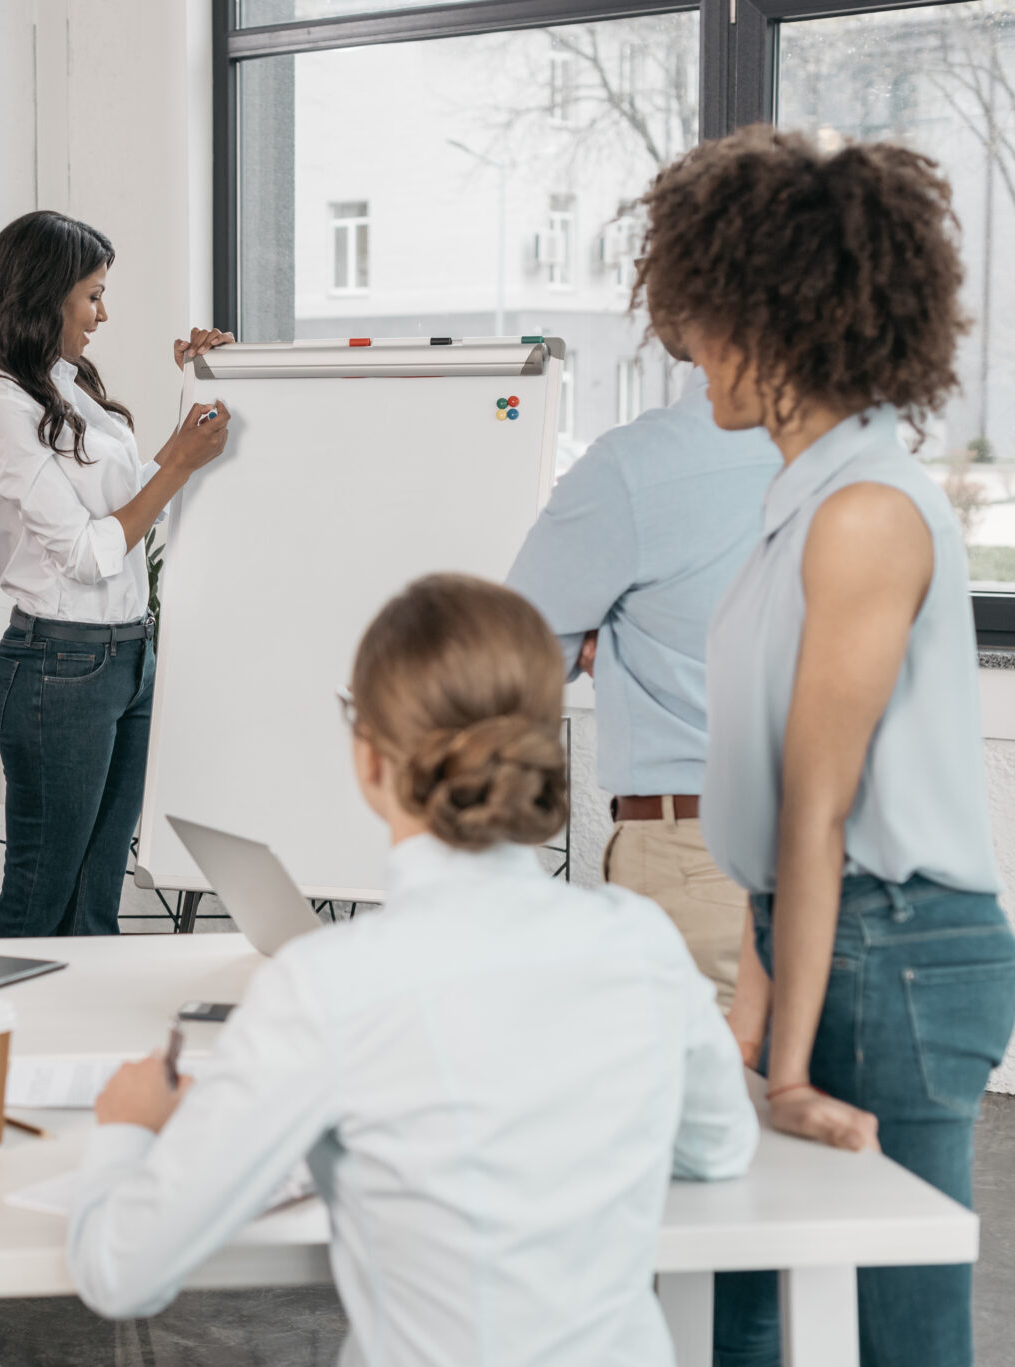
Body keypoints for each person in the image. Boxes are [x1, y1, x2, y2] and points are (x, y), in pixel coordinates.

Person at [64, 574, 756, 1365]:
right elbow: (719, 1147)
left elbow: (119, 1272)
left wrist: (126, 1126)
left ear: (368, 758)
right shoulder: (642, 943)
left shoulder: (329, 986)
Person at [632, 127, 1015, 1367]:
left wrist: (782, 1063)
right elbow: (768, 823)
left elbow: (815, 801)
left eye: (699, 318)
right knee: (740, 1297)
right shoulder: (799, 501)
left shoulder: (860, 512)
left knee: (899, 1331)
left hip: (892, 945)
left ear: (778, 317)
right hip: (819, 928)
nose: (684, 349)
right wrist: (751, 1012)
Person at [0, 209, 234, 938]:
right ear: (47, 296)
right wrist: (175, 463)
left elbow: (134, 508)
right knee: (42, 897)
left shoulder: (65, 387)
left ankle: (76, 1049)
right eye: (93, 294)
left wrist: (201, 386)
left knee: (96, 900)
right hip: (58, 669)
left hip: (127, 657)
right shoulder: (0, 404)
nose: (103, 314)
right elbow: (87, 551)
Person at [506, 369, 777, 1010]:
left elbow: (510, 660)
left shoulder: (638, 465)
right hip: (847, 855)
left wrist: (622, 636)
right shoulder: (854, 455)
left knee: (695, 1100)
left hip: (701, 858)